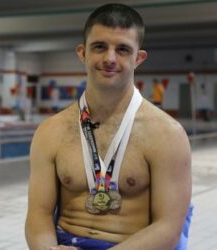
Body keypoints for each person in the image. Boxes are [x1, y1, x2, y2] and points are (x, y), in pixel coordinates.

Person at [25, 3, 192, 250]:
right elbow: (38, 217)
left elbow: (168, 228)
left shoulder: (167, 134)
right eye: (99, 47)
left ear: (139, 58)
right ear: (83, 52)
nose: (110, 58)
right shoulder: (50, 132)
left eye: (123, 49)